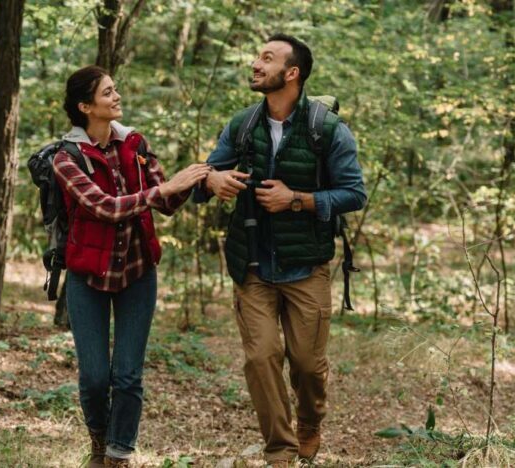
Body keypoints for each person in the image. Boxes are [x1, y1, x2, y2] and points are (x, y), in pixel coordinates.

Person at [195, 34, 367, 466]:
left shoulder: (326, 129)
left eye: (266, 59)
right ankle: (280, 452)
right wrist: (211, 181)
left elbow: (354, 193)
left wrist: (299, 199)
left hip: (306, 266)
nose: (255, 64)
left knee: (308, 366)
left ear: (291, 73)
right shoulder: (242, 124)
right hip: (251, 264)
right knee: (261, 357)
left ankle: (310, 423)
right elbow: (202, 178)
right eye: (258, 56)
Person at [53, 65, 211, 467]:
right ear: (85, 106)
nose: (117, 97)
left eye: (115, 89)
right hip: (87, 276)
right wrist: (164, 187)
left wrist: (194, 179)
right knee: (94, 378)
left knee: (127, 375)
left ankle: (118, 455)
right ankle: (99, 440)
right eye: (108, 93)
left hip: (138, 272)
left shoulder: (136, 144)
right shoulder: (65, 158)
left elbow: (167, 203)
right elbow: (104, 208)